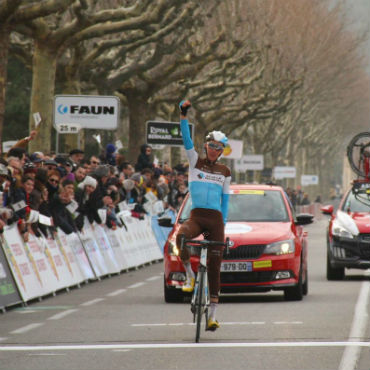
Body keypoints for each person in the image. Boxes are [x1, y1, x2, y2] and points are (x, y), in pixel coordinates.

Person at [175, 100, 231, 331]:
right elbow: (186, 139)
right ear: (206, 146)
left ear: (221, 151)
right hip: (197, 216)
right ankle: (189, 275)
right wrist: (183, 115)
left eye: (218, 148)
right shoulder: (194, 161)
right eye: (211, 146)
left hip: (215, 219)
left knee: (216, 266)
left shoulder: (225, 171)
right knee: (181, 236)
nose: (213, 150)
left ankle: (212, 317)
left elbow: (226, 200)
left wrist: (224, 223)